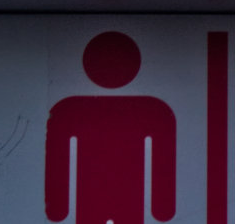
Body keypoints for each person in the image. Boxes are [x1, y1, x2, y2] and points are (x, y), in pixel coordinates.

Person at [45, 31, 176, 224]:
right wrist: (162, 209)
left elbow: (58, 159)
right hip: (122, 201)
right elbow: (163, 161)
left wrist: (58, 209)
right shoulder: (154, 109)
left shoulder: (68, 108)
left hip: (100, 201)